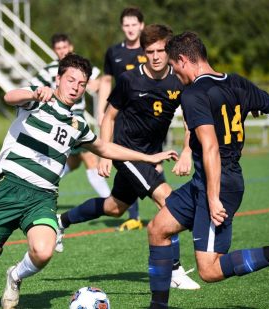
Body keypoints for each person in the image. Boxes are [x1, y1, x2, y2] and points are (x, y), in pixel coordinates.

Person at [0, 53, 178, 309]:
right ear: (58, 79)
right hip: (9, 190)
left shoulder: (77, 126)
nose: (75, 88)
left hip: (42, 197)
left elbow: (106, 148)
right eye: (70, 80)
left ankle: (15, 276)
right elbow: (9, 97)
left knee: (44, 251)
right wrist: (33, 94)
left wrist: (148, 156)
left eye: (81, 84)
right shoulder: (39, 100)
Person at [56, 24, 200, 290]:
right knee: (169, 202)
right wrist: (105, 155)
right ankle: (174, 270)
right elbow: (108, 117)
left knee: (114, 207)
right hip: (126, 151)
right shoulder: (130, 80)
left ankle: (60, 222)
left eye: (160, 50)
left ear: (168, 50)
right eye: (149, 51)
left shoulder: (178, 80)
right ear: (142, 53)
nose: (155, 56)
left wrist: (187, 152)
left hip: (151, 156)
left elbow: (192, 121)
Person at [147, 32, 269, 309]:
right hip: (201, 182)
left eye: (174, 65)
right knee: (158, 228)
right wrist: (252, 108)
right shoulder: (238, 83)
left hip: (219, 183)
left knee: (208, 270)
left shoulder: (194, 93)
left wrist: (214, 196)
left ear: (183, 59)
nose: (174, 72)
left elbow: (210, 148)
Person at [30, 33, 111, 211]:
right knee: (90, 158)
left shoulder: (80, 66)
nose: (62, 51)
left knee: (72, 163)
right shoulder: (50, 70)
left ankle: (38, 185)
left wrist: (94, 88)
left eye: (64, 47)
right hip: (66, 119)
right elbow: (33, 87)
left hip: (78, 117)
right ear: (54, 51)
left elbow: (102, 82)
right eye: (58, 49)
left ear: (71, 47)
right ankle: (109, 201)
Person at [98, 7, 147, 230]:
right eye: (126, 25)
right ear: (122, 27)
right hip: (120, 115)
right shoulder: (113, 52)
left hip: (147, 117)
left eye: (133, 24)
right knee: (125, 161)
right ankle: (134, 216)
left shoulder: (151, 51)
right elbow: (106, 81)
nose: (130, 29)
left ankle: (167, 207)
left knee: (151, 160)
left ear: (141, 26)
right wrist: (101, 110)